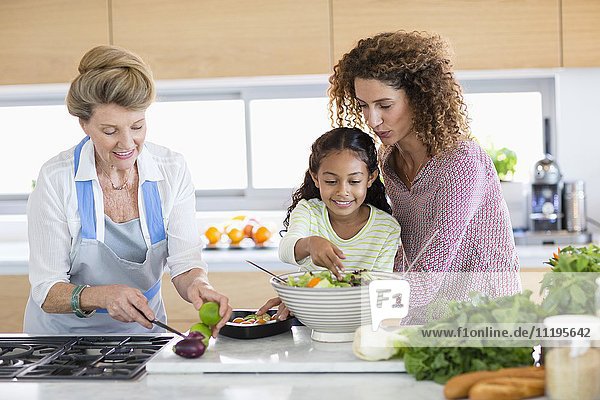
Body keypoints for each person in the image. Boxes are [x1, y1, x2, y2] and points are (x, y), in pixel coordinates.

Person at [24, 45, 232, 335]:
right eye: (109, 131)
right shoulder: (56, 179)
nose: (127, 143)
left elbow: (185, 262)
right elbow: (46, 291)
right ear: (84, 124)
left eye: (137, 126)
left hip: (143, 333)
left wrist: (199, 286)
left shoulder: (171, 169)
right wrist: (101, 296)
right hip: (63, 340)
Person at [328, 31, 521, 321]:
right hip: (424, 321)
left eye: (385, 105)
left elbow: (428, 279)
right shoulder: (387, 160)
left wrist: (326, 297)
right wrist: (308, 288)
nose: (372, 120)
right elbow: (390, 249)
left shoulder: (461, 163)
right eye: (363, 106)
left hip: (484, 323)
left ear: (419, 98)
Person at [257, 127, 401, 318]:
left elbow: (379, 291)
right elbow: (285, 250)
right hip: (310, 320)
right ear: (316, 178)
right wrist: (309, 244)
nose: (343, 191)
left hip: (360, 324)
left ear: (370, 178)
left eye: (354, 181)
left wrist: (311, 301)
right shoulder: (309, 211)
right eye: (331, 181)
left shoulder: (386, 229)